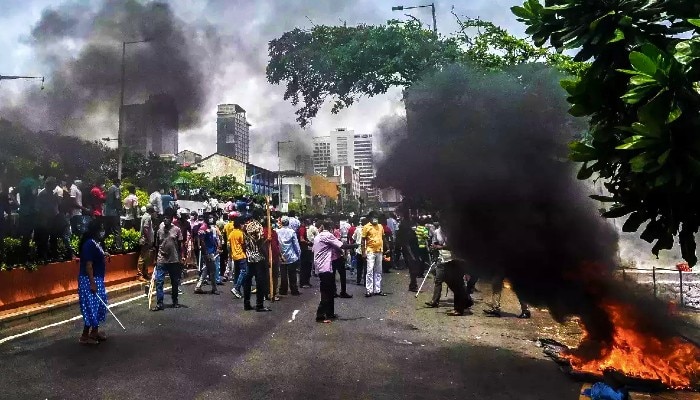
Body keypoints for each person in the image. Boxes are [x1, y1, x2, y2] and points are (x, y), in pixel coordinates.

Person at [313, 219, 358, 323]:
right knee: (327, 291)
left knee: (330, 290)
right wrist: (355, 245)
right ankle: (320, 315)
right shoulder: (327, 235)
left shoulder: (318, 237)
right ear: (330, 228)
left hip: (321, 266)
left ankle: (330, 313)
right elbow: (341, 246)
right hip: (325, 267)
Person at [426, 223, 472, 316]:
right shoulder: (439, 232)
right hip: (447, 260)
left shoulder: (455, 233)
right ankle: (464, 302)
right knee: (453, 283)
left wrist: (441, 247)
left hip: (458, 260)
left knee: (457, 284)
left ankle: (460, 308)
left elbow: (455, 246)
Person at [77, 219, 108, 345]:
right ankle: (85, 336)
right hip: (90, 279)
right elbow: (88, 265)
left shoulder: (95, 243)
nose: (102, 231)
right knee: (91, 307)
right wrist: (92, 283)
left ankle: (94, 331)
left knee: (99, 306)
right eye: (100, 229)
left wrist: (104, 254)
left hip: (97, 278)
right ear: (96, 230)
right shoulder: (89, 244)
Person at [152, 208, 183, 311]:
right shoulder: (159, 231)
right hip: (161, 259)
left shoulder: (177, 230)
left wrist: (181, 258)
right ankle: (160, 303)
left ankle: (175, 301)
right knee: (159, 282)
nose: (165, 220)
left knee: (174, 282)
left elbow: (180, 245)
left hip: (173, 260)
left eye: (167, 218)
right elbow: (156, 246)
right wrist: (155, 259)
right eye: (164, 218)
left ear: (171, 219)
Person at [241, 213, 270, 311]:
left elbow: (244, 245)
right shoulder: (256, 226)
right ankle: (259, 304)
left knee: (248, 281)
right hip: (258, 257)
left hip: (249, 258)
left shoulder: (243, 229)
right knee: (260, 281)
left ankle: (247, 303)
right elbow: (260, 242)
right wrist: (267, 240)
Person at [35, 177, 60, 262]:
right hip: (44, 219)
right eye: (54, 184)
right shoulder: (43, 193)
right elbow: (38, 207)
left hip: (52, 218)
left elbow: (56, 205)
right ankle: (43, 256)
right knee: (44, 238)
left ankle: (53, 255)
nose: (55, 186)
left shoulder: (51, 193)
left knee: (53, 237)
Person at [194, 214, 220, 295]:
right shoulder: (203, 228)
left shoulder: (209, 227)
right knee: (213, 270)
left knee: (206, 270)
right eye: (209, 218)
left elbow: (212, 240)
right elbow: (201, 241)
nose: (211, 219)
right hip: (208, 253)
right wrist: (206, 252)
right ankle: (214, 288)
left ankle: (198, 287)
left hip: (211, 251)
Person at [362, 212, 386, 297]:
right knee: (369, 270)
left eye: (376, 217)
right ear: (370, 218)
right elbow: (363, 240)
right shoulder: (366, 227)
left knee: (378, 271)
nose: (375, 219)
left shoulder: (380, 226)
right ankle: (369, 290)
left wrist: (386, 249)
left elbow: (383, 237)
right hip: (370, 251)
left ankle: (377, 290)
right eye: (374, 217)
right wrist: (363, 252)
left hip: (379, 250)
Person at [276, 216, 301, 296]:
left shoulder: (277, 231)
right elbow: (296, 245)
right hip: (291, 256)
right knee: (292, 274)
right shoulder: (292, 232)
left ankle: (283, 290)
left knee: (283, 275)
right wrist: (298, 254)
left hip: (281, 256)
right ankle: (294, 290)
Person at [397, 217, 421, 292]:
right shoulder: (409, 233)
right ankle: (413, 285)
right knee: (413, 269)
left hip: (414, 253)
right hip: (410, 254)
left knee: (414, 269)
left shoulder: (413, 233)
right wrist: (412, 255)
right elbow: (407, 245)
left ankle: (413, 284)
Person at [137, 206, 157, 280]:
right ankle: (140, 274)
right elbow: (145, 228)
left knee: (147, 257)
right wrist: (148, 239)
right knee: (143, 257)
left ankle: (145, 273)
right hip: (145, 240)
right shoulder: (147, 217)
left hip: (146, 240)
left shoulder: (146, 216)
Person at [263, 220, 281, 301]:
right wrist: (267, 240)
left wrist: (280, 255)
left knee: (275, 276)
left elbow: (277, 245)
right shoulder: (263, 232)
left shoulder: (274, 233)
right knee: (267, 276)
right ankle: (267, 293)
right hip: (266, 258)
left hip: (275, 257)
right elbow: (260, 245)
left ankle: (273, 293)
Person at [353, 217, 367, 286]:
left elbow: (354, 238)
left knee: (359, 267)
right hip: (366, 250)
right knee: (366, 267)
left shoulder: (357, 229)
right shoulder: (368, 229)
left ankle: (358, 280)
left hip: (359, 249)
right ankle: (365, 281)